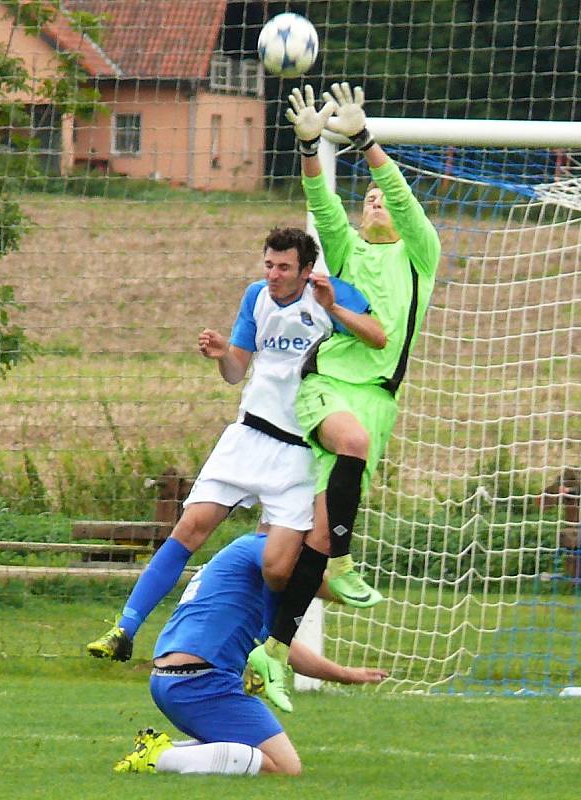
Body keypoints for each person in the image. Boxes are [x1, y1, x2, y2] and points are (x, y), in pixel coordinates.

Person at [87, 226, 386, 662]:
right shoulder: (256, 297)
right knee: (189, 528)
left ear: (306, 270)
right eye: (268, 264)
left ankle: (262, 657)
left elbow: (378, 336)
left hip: (299, 454)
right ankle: (124, 628)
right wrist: (224, 353)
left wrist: (334, 307)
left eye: (284, 267)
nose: (274, 274)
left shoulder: (328, 294)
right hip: (248, 436)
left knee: (279, 567)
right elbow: (236, 372)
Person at [248, 83, 441, 711]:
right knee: (348, 454)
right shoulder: (349, 252)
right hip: (328, 388)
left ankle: (271, 652)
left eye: (384, 198)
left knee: (302, 552)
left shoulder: (420, 255)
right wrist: (311, 146)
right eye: (370, 199)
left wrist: (367, 142)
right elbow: (320, 201)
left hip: (379, 402)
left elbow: (409, 204)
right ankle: (344, 564)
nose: (376, 202)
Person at [112, 531, 388, 777]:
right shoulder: (261, 549)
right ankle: (161, 758)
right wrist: (354, 592)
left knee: (243, 750)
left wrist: (344, 675)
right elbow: (308, 578)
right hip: (201, 683)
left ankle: (162, 750)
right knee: (284, 766)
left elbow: (279, 648)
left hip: (174, 680)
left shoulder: (244, 564)